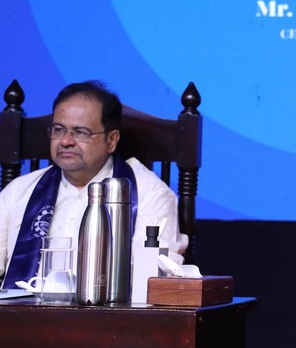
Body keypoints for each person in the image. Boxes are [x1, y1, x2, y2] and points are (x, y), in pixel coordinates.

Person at [0, 80, 186, 287]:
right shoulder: (19, 191)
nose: (65, 141)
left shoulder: (149, 194)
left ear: (111, 140)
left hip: (111, 308)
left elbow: (152, 281)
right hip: (21, 307)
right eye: (58, 130)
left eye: (81, 132)